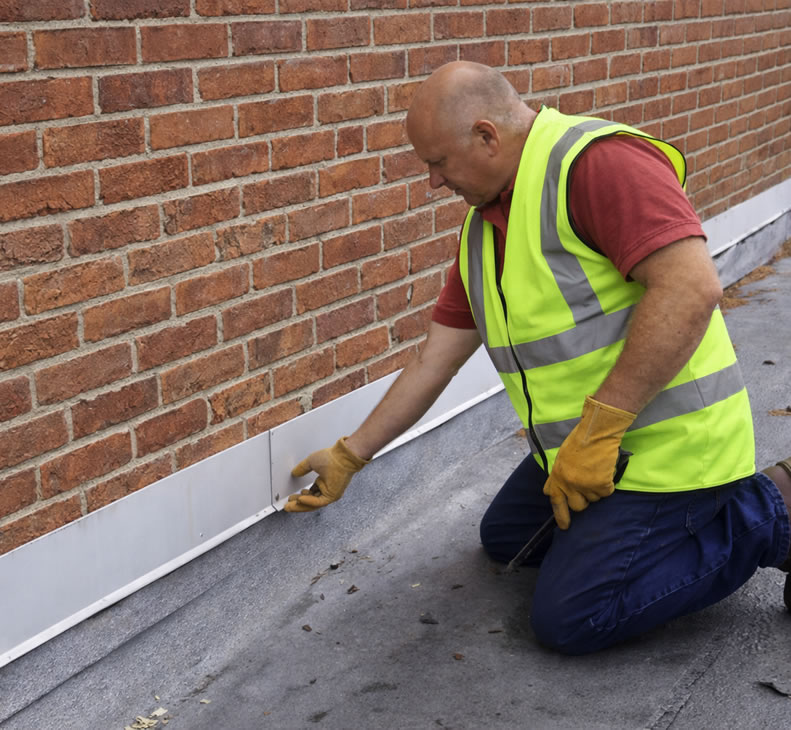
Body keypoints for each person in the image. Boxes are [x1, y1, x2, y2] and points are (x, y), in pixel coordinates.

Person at [287, 61, 791, 654]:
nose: (431, 181)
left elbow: (692, 289)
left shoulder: (598, 165)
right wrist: (351, 455)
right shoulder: (485, 230)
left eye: (438, 162)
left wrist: (602, 429)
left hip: (671, 450)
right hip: (587, 447)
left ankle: (768, 511)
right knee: (507, 539)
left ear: (486, 135)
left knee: (574, 619)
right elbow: (433, 362)